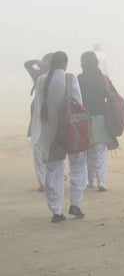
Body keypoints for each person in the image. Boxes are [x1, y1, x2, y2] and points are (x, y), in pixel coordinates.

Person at [30, 51, 87, 222]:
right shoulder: (70, 78)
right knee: (78, 166)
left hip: (50, 133)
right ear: (65, 63)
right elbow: (78, 103)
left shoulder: (41, 80)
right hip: (70, 130)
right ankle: (75, 204)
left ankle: (56, 211)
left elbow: (39, 107)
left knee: (53, 169)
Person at [78, 51, 118, 191]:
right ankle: (101, 181)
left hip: (84, 119)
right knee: (100, 152)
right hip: (101, 119)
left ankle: (90, 180)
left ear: (83, 63)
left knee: (87, 152)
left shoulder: (80, 78)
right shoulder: (104, 78)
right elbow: (114, 94)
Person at [24, 53, 54, 192]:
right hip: (37, 114)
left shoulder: (56, 75)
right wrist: (37, 61)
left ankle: (48, 180)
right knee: (38, 148)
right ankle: (42, 182)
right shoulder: (38, 75)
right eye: (45, 61)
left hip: (51, 114)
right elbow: (27, 64)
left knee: (48, 149)